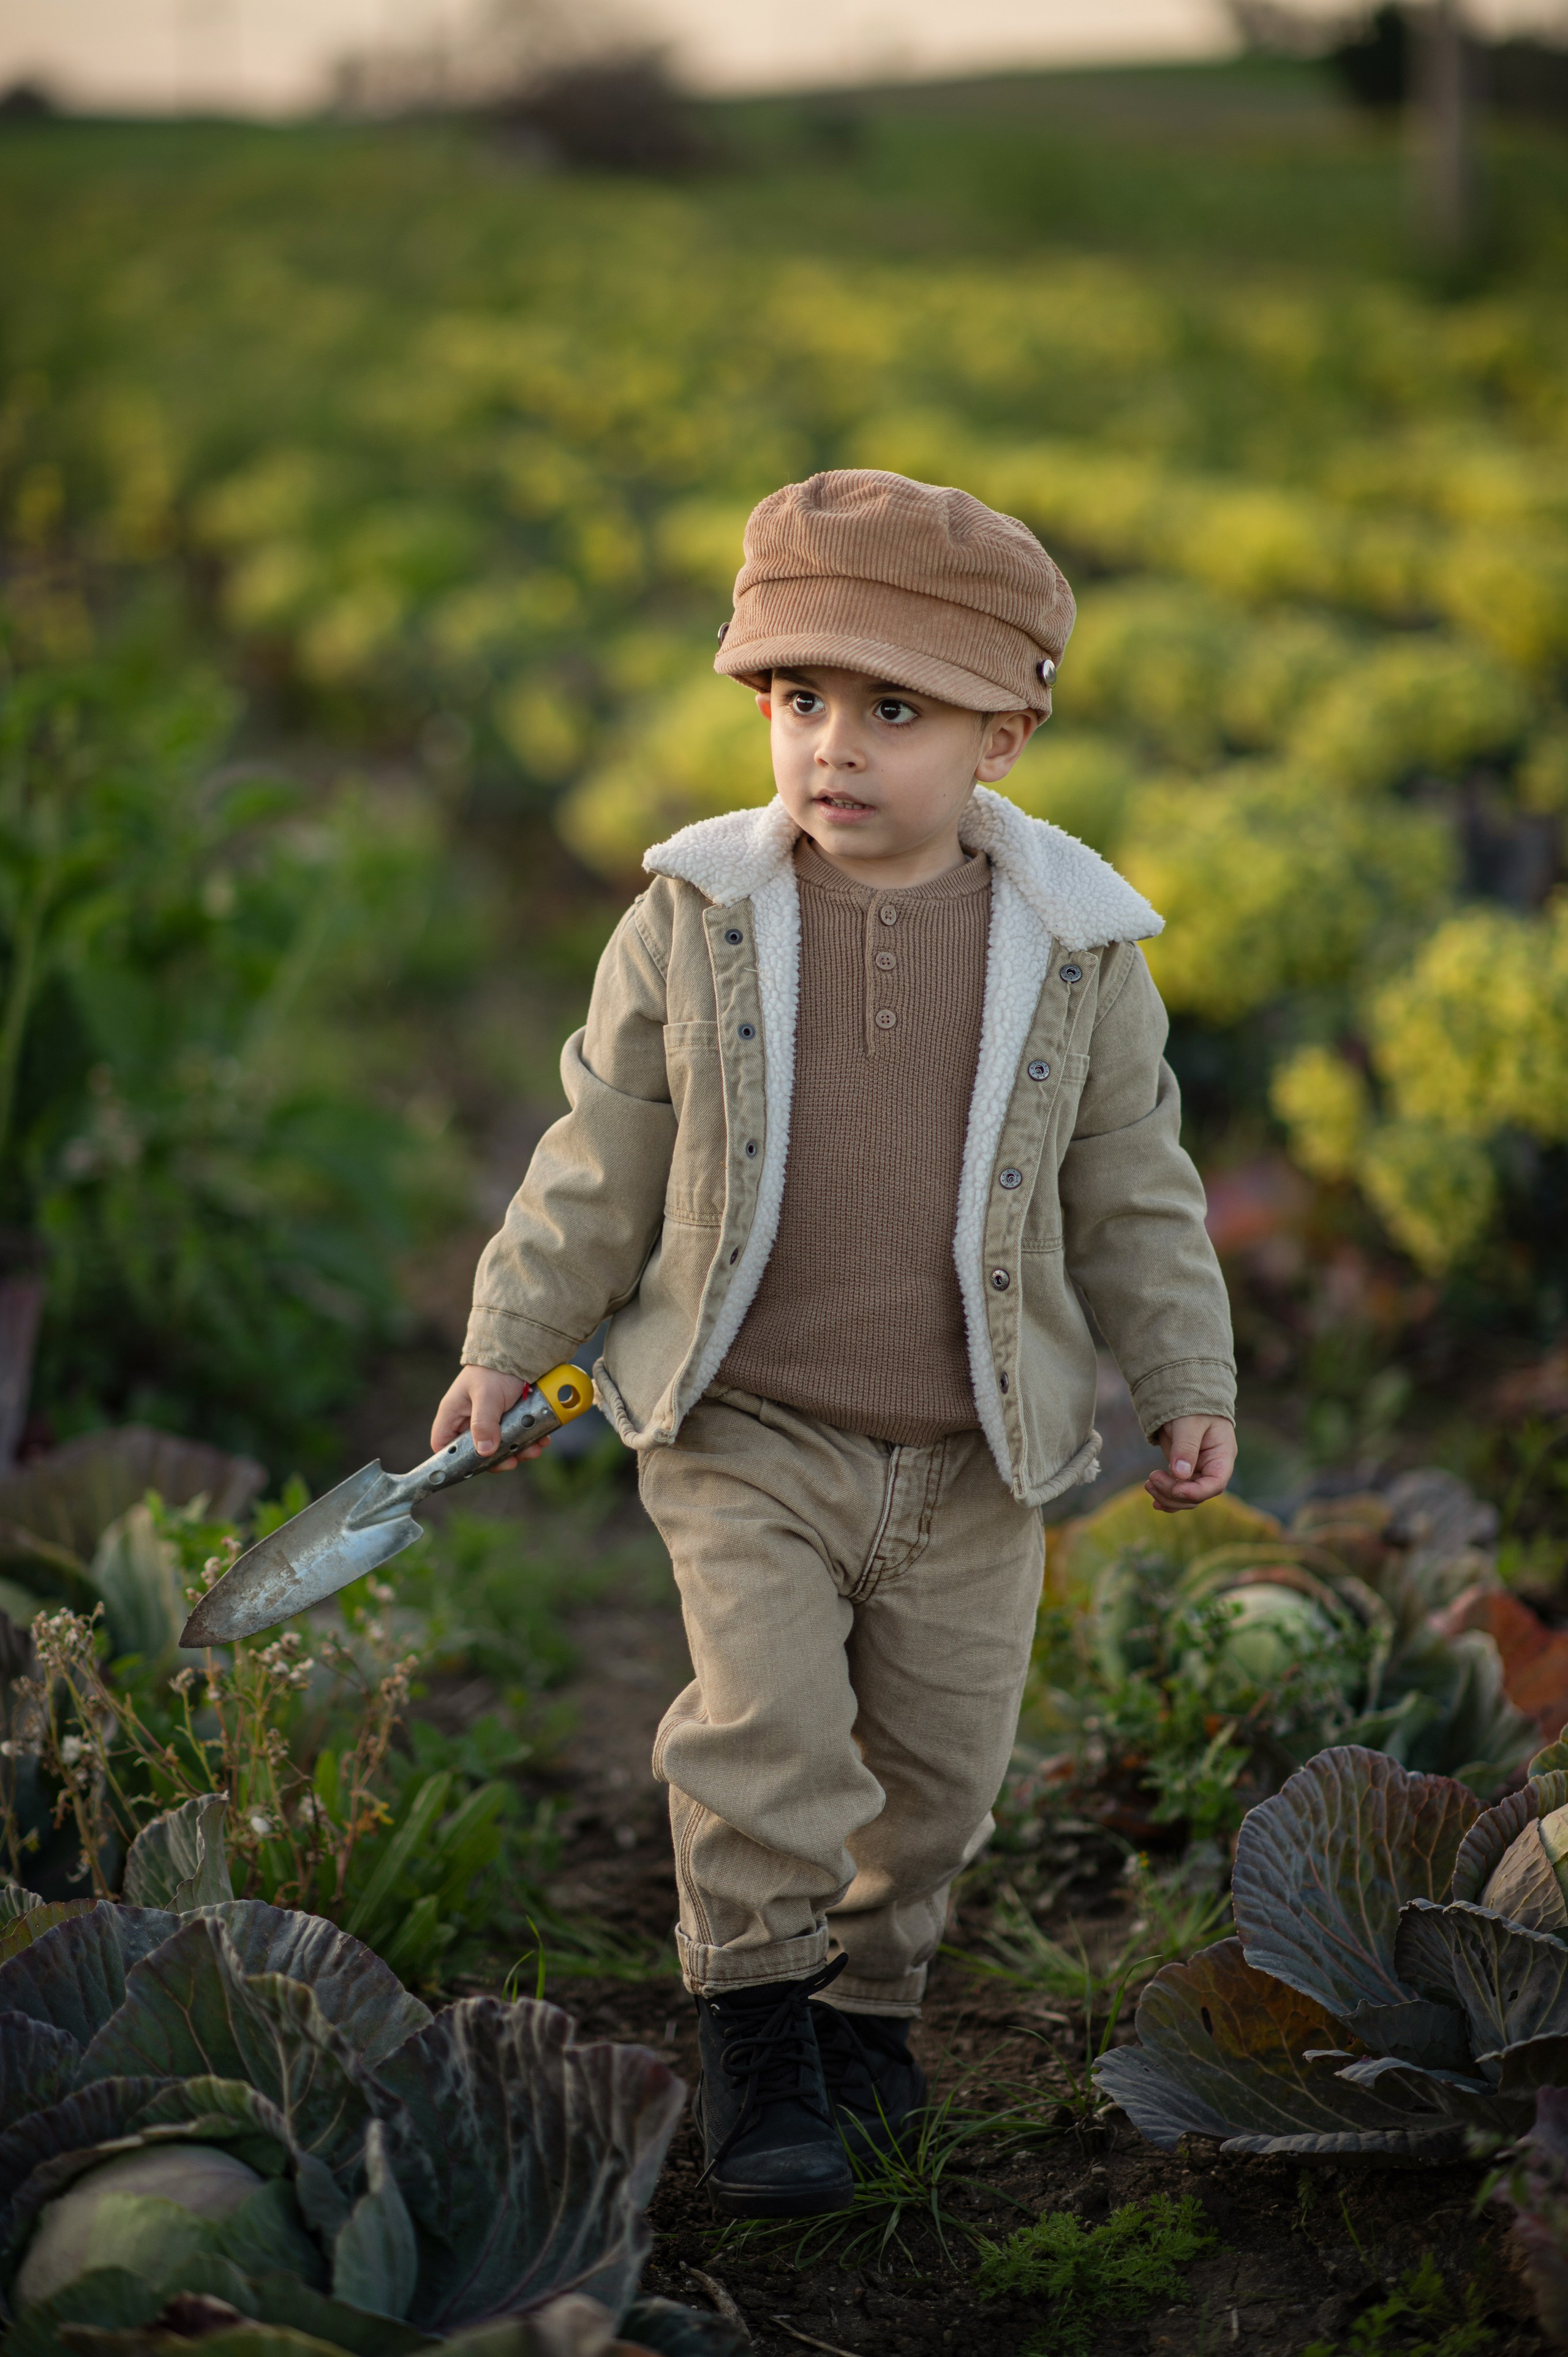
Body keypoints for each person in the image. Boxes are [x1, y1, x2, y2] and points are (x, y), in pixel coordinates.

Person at [431, 469, 1237, 2219]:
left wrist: (1185, 1373)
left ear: (1004, 735)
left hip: (973, 1448)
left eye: (894, 708)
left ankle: (874, 2001)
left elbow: (1135, 1184)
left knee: (938, 1782)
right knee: (769, 1736)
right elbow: (604, 1146)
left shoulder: (1079, 956)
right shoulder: (699, 921)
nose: (833, 748)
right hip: (749, 1426)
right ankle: (758, 2014)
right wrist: (519, 1333)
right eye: (800, 699)